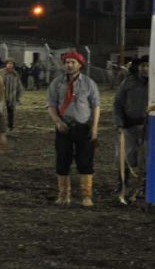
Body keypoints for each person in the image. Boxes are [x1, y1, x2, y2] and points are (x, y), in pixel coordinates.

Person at [47, 51, 100, 207]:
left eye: (73, 62)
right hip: (64, 128)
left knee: (85, 162)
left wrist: (95, 129)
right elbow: (51, 105)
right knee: (62, 161)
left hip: (84, 128)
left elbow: (96, 106)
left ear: (80, 65)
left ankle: (86, 196)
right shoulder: (57, 83)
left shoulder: (89, 83)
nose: (69, 65)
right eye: (67, 62)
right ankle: (64, 195)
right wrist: (57, 122)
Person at [113, 56, 149, 200]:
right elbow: (118, 103)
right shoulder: (127, 83)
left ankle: (144, 187)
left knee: (147, 158)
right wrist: (119, 123)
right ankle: (122, 184)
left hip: (149, 128)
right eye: (143, 65)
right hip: (129, 126)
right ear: (138, 67)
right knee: (124, 156)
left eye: (148, 65)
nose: (146, 68)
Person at [0, 58, 24, 132]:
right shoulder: (1, 72)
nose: (10, 65)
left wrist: (18, 96)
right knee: (1, 112)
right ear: (6, 64)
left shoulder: (15, 73)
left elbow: (19, 84)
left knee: (11, 112)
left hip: (12, 96)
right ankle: (1, 126)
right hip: (2, 96)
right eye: (8, 63)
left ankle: (10, 126)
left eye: (11, 64)